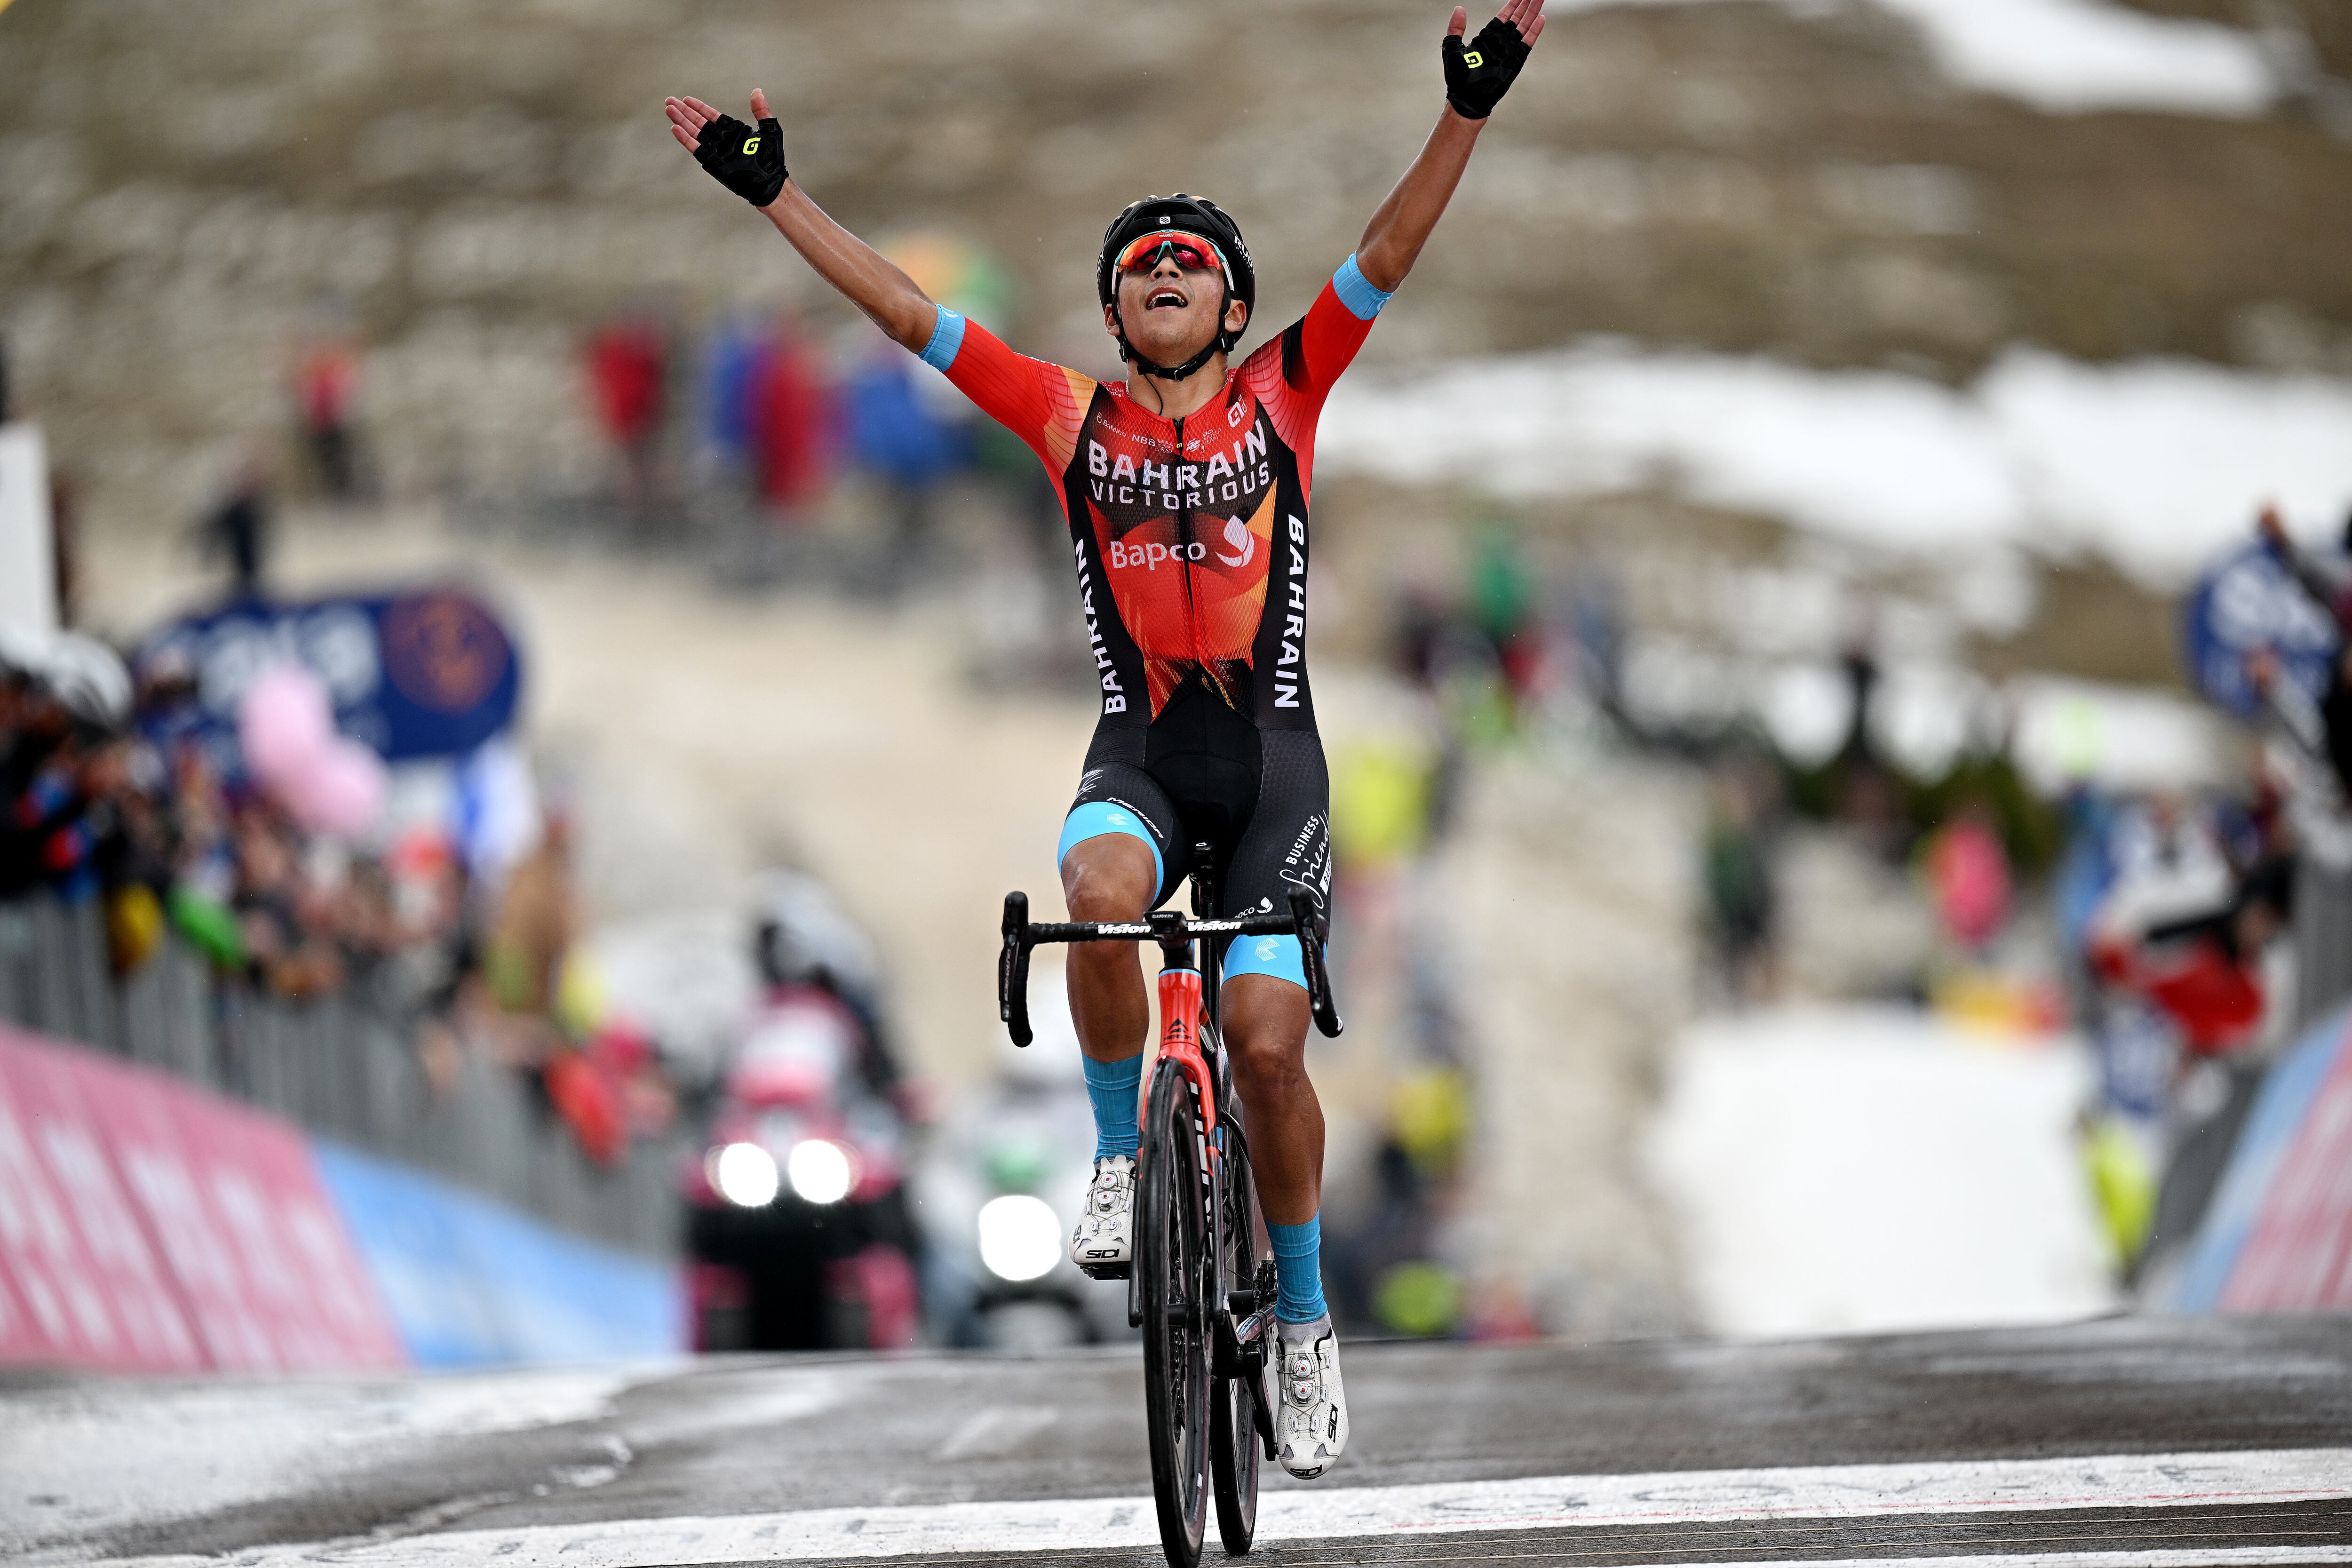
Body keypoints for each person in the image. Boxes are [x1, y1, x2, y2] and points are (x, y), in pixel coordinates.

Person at [666, 0, 1545, 1480]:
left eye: (1187, 262)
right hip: (1140, 755)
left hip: (1273, 770)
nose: (1159, 275)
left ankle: (1310, 1324)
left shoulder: (1289, 389)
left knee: (1269, 1053)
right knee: (1094, 901)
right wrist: (776, 196)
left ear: (1231, 301)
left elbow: (1387, 257)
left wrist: (1466, 111)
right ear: (1115, 309)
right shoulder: (1070, 420)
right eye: (1136, 267)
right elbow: (906, 318)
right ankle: (1125, 1159)